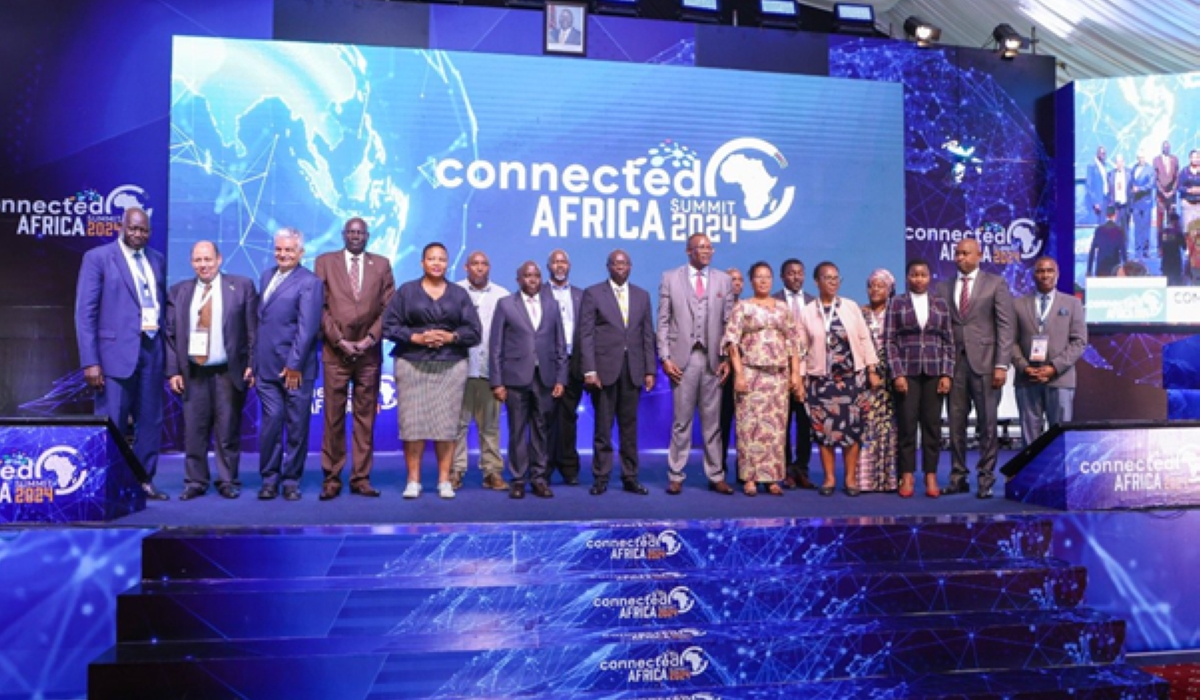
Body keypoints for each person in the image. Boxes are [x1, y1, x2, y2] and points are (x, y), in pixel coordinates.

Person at [75, 207, 169, 500]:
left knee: (151, 421)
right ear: (122, 227)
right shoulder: (98, 258)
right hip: (113, 354)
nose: (139, 235)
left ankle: (143, 481)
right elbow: (85, 311)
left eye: (144, 231)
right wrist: (90, 360)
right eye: (134, 229)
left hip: (152, 351)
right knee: (112, 421)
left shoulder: (157, 260)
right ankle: (108, 485)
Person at [382, 242, 482, 500]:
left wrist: (450, 337)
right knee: (412, 425)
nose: (436, 263)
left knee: (445, 425)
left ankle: (444, 480)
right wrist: (415, 338)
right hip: (411, 363)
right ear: (422, 263)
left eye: (441, 259)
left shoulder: (459, 294)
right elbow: (388, 325)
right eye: (431, 259)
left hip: (451, 364)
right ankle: (413, 481)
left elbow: (474, 331)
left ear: (447, 263)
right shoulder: (406, 291)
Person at [164, 241, 257, 500]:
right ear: (192, 262)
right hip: (193, 371)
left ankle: (228, 480)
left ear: (219, 260)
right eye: (197, 260)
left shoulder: (241, 287)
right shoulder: (179, 291)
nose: (202, 265)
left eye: (207, 259)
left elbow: (253, 331)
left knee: (227, 430)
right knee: (194, 430)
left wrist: (252, 363)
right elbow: (169, 336)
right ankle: (195, 481)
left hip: (228, 370)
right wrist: (173, 372)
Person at [314, 217, 395, 500]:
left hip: (369, 354)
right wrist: (339, 340)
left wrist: (370, 339)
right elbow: (319, 306)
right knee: (332, 419)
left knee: (365, 420)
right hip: (335, 353)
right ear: (343, 235)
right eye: (351, 231)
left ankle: (361, 477)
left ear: (368, 236)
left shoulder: (382, 264)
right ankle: (332, 478)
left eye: (360, 232)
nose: (356, 236)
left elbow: (389, 308)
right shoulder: (325, 262)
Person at [935, 238, 1014, 499]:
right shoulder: (943, 287)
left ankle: (986, 479)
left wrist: (1001, 365)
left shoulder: (995, 284)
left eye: (965, 253)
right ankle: (958, 477)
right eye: (957, 253)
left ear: (979, 255)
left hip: (987, 365)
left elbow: (1005, 327)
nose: (960, 257)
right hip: (954, 365)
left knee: (987, 425)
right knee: (956, 424)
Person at [657, 233, 735, 495]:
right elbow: (663, 321)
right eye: (701, 247)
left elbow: (729, 324)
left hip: (712, 359)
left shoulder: (723, 280)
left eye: (709, 247)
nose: (706, 251)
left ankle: (716, 474)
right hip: (682, 360)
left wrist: (726, 358)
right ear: (688, 250)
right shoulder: (670, 278)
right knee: (681, 421)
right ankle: (676, 474)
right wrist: (665, 357)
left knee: (712, 423)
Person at [796, 262, 881, 497]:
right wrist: (800, 379)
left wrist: (872, 369)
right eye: (827, 278)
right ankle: (829, 478)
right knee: (824, 432)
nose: (833, 282)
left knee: (852, 431)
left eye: (836, 278)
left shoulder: (851, 307)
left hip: (851, 380)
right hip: (821, 381)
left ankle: (851, 479)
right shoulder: (807, 311)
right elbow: (800, 349)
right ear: (817, 281)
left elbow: (864, 339)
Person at [579, 249, 656, 496]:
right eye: (616, 263)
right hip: (603, 370)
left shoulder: (642, 296)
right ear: (608, 266)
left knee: (629, 427)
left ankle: (630, 477)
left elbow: (647, 335)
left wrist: (649, 370)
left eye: (625, 263)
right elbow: (586, 335)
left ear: (630, 267)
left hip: (633, 370)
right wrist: (589, 369)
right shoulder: (593, 293)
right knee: (603, 427)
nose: (620, 267)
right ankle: (601, 477)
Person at [254, 228, 323, 501]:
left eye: (289, 250)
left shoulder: (310, 282)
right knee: (271, 425)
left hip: (296, 370)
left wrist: (293, 365)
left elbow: (307, 329)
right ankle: (269, 479)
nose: (283, 254)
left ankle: (291, 480)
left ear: (300, 253)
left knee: (296, 427)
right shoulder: (266, 276)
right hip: (266, 367)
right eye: (279, 249)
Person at [723, 262, 802, 496]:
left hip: (778, 375)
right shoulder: (743, 307)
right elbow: (732, 342)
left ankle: (773, 477)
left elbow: (793, 343)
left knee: (776, 428)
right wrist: (738, 374)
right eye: (758, 277)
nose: (764, 281)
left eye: (767, 277)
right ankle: (750, 477)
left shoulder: (782, 308)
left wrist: (795, 373)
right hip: (750, 373)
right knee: (750, 427)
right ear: (751, 281)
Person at [490, 262, 567, 499]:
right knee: (517, 430)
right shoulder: (505, 304)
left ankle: (539, 478)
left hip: (545, 377)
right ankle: (518, 479)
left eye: (536, 276)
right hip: (515, 378)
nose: (532, 280)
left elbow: (560, 344)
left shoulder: (552, 305)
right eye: (527, 276)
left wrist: (561, 378)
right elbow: (496, 346)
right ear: (518, 280)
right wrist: (497, 382)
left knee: (541, 430)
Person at [884, 259, 954, 499]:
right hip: (907, 373)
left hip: (934, 373)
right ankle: (907, 474)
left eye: (923, 275)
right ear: (907, 278)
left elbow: (948, 341)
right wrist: (897, 373)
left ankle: (931, 474)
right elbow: (889, 341)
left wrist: (947, 373)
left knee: (932, 427)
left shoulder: (941, 304)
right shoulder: (896, 303)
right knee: (907, 426)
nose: (919, 279)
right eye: (914, 275)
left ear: (930, 277)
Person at [1012, 257, 1087, 446]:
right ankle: (1032, 474)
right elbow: (1009, 341)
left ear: (1057, 274)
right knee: (1030, 439)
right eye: (1040, 271)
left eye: (1049, 271)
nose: (1045, 275)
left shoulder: (1072, 304)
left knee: (1060, 435)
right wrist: (1023, 367)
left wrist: (1054, 367)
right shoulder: (1018, 304)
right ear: (1033, 275)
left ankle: (1058, 475)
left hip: (1060, 378)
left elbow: (1079, 341)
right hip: (1027, 379)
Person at [452, 251, 509, 492]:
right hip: (459, 369)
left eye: (484, 264)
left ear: (489, 267)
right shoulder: (453, 292)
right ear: (466, 267)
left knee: (490, 426)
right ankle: (455, 471)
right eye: (474, 264)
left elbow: (508, 337)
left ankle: (492, 472)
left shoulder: (502, 295)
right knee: (457, 425)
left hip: (490, 371)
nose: (479, 268)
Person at [542, 249, 585, 486]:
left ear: (569, 266)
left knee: (569, 418)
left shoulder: (581, 295)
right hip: (547, 364)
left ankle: (569, 468)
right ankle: (544, 468)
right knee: (545, 417)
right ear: (549, 266)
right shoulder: (539, 293)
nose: (560, 266)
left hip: (573, 363)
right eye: (555, 262)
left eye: (563, 262)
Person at [773, 258, 816, 489]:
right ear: (782, 277)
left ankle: (802, 469)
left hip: (808, 372)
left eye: (800, 273)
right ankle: (785, 470)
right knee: (783, 422)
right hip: (780, 371)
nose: (796, 277)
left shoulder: (813, 302)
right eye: (791, 273)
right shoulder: (773, 302)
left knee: (805, 422)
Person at [858, 268, 898, 493]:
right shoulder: (860, 313)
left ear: (890, 289)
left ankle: (889, 480)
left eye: (880, 286)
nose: (875, 290)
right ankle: (865, 480)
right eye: (872, 285)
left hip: (892, 380)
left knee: (890, 429)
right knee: (866, 428)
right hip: (866, 380)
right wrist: (869, 370)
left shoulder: (896, 314)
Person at [719, 267, 744, 480]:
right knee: (722, 421)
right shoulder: (715, 307)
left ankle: (745, 470)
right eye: (731, 279)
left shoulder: (748, 307)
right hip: (722, 372)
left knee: (746, 424)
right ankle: (719, 469)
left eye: (739, 280)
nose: (735, 283)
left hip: (747, 372)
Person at [1087, 207, 1125, 277]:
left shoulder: (1099, 230)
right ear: (1115, 215)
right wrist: (1126, 271)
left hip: (1101, 269)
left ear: (1106, 215)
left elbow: (1092, 251)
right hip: (1114, 269)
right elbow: (1123, 253)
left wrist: (1089, 270)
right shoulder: (1119, 231)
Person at [1130, 152, 1155, 257]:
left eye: (1143, 157)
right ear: (1137, 158)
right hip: (1135, 203)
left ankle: (1146, 250)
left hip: (1146, 202)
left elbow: (1151, 184)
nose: (1141, 159)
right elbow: (1131, 183)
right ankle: (1137, 250)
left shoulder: (1150, 169)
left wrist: (1139, 189)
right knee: (1137, 227)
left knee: (1145, 227)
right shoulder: (1134, 168)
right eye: (1139, 157)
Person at [1153, 141, 1179, 233]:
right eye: (1165, 146)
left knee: (1171, 219)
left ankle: (1171, 243)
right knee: (1160, 219)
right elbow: (1155, 178)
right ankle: (1160, 244)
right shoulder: (1156, 160)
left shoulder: (1174, 159)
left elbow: (1177, 177)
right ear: (1162, 148)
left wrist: (1172, 191)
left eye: (1168, 147)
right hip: (1161, 194)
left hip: (1172, 194)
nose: (1166, 148)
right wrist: (1162, 192)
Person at [1159, 211, 1187, 286]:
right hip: (1175, 260)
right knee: (1178, 282)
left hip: (1166, 260)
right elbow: (1184, 247)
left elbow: (1163, 245)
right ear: (1176, 221)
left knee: (1167, 283)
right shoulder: (1178, 233)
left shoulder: (1164, 232)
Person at [1108, 153, 1132, 234]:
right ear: (1115, 163)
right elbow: (1109, 191)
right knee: (1115, 230)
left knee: (1125, 230)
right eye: (1117, 162)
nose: (1119, 164)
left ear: (1124, 162)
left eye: (1121, 162)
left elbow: (1132, 189)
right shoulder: (1110, 174)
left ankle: (1125, 246)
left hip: (1126, 206)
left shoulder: (1129, 173)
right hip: (1116, 207)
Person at [1085, 145, 1109, 225]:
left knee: (1103, 224)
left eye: (1104, 153)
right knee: (1097, 225)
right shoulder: (1092, 166)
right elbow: (1089, 186)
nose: (1103, 155)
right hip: (1097, 202)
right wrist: (1095, 202)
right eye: (1102, 153)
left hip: (1104, 198)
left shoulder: (1104, 165)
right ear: (1097, 153)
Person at [1181, 150, 1200, 235]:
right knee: (1188, 230)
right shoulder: (1185, 171)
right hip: (1187, 204)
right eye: (1193, 157)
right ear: (1190, 158)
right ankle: (1189, 248)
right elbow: (1179, 187)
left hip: (1199, 204)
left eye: (1197, 157)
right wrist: (1189, 190)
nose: (1196, 159)